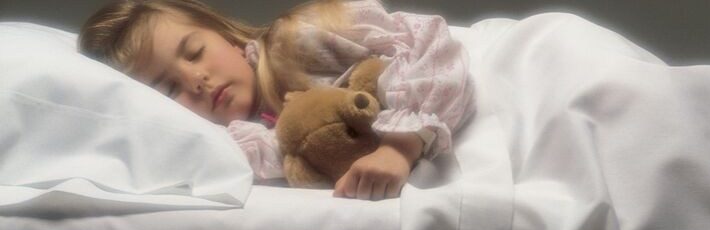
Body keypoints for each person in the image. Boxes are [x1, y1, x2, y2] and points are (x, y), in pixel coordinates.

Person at [78, 0, 474, 201]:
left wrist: (400, 146)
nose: (195, 80)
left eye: (195, 52)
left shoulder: (300, 40)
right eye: (168, 89)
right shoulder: (240, 146)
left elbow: (430, 43)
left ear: (227, 39)